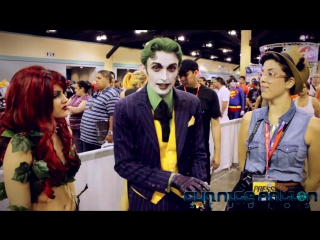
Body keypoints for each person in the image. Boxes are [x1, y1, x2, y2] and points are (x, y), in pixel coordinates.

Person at [113, 37, 210, 211]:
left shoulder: (191, 103)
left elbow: (199, 153)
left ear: (178, 69)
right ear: (145, 69)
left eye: (171, 68)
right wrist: (171, 179)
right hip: (146, 200)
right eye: (156, 67)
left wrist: (199, 188)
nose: (164, 77)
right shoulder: (125, 107)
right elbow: (124, 164)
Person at [230, 49, 320, 211]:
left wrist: (292, 201)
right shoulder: (250, 119)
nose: (262, 79)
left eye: (271, 74)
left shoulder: (311, 126)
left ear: (289, 82)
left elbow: (315, 178)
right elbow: (243, 166)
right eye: (263, 72)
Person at [0, 66, 87, 211]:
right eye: (56, 95)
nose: (66, 100)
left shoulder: (63, 132)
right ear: (33, 100)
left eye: (64, 93)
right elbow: (21, 208)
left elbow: (67, 179)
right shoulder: (21, 146)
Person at [177, 59, 221, 179]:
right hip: (178, 151)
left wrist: (217, 153)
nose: (182, 79)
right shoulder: (175, 93)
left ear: (196, 73)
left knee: (201, 191)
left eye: (185, 75)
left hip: (201, 152)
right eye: (180, 75)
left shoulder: (210, 94)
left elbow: (215, 124)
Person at [80, 70, 120, 152]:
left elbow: (114, 115)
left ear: (106, 79)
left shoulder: (112, 94)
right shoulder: (96, 93)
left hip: (96, 140)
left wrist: (110, 133)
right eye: (96, 78)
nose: (96, 80)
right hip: (86, 137)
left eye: (99, 78)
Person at [66, 80, 91, 153]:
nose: (75, 90)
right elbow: (65, 105)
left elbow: (77, 110)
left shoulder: (86, 98)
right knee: (72, 147)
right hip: (70, 126)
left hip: (78, 128)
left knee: (78, 148)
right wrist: (70, 108)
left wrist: (69, 108)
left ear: (82, 89)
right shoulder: (74, 96)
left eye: (76, 88)